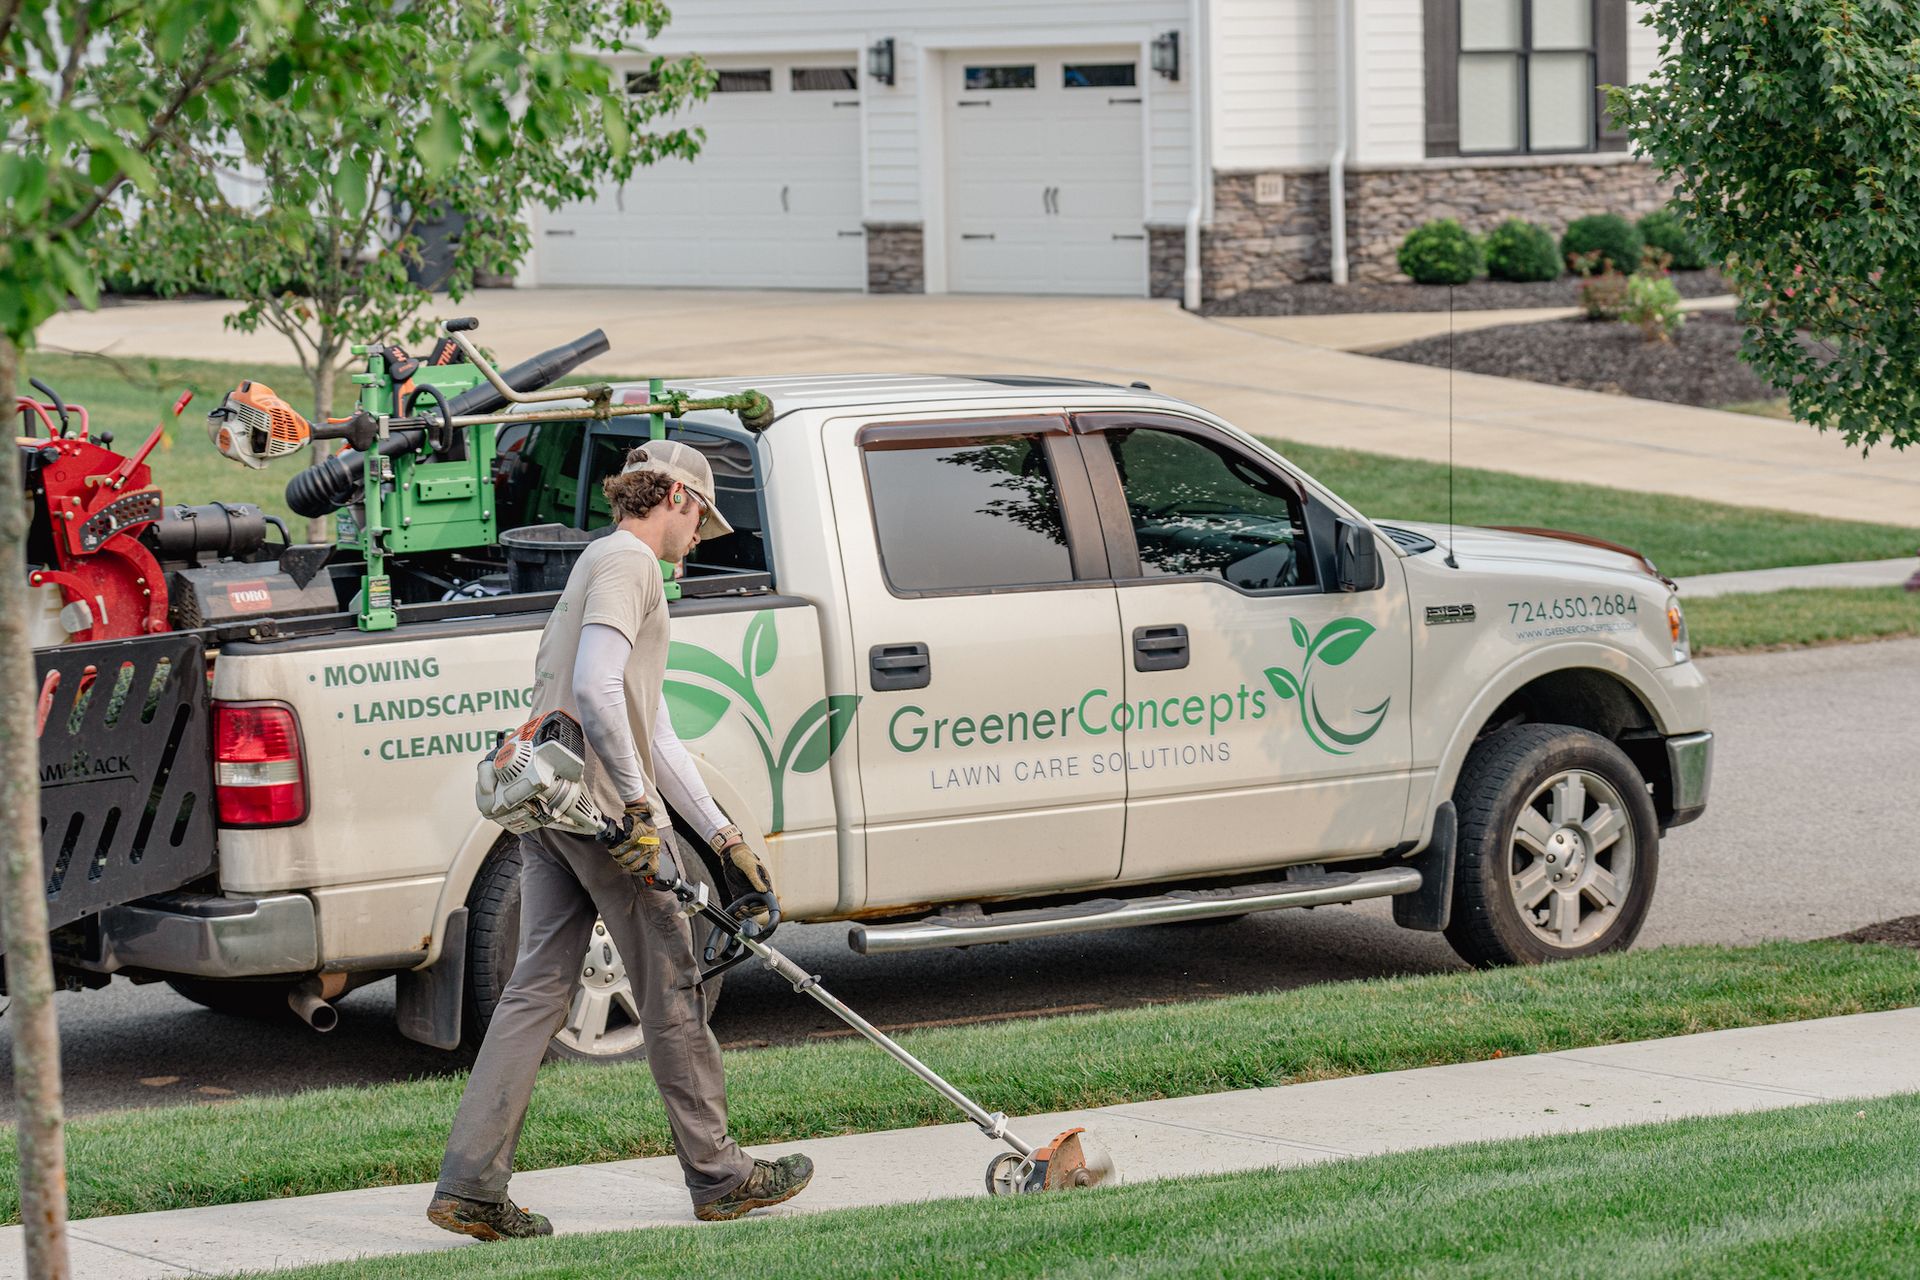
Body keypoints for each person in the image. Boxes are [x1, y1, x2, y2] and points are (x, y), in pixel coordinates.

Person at [428, 441, 812, 1241]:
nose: (699, 537)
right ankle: (720, 1174)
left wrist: (720, 833)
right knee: (674, 983)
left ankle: (470, 1183)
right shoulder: (630, 564)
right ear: (673, 496)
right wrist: (640, 811)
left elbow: (650, 720)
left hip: (549, 801)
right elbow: (602, 687)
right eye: (700, 517)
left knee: (535, 989)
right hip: (603, 812)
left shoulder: (594, 566)